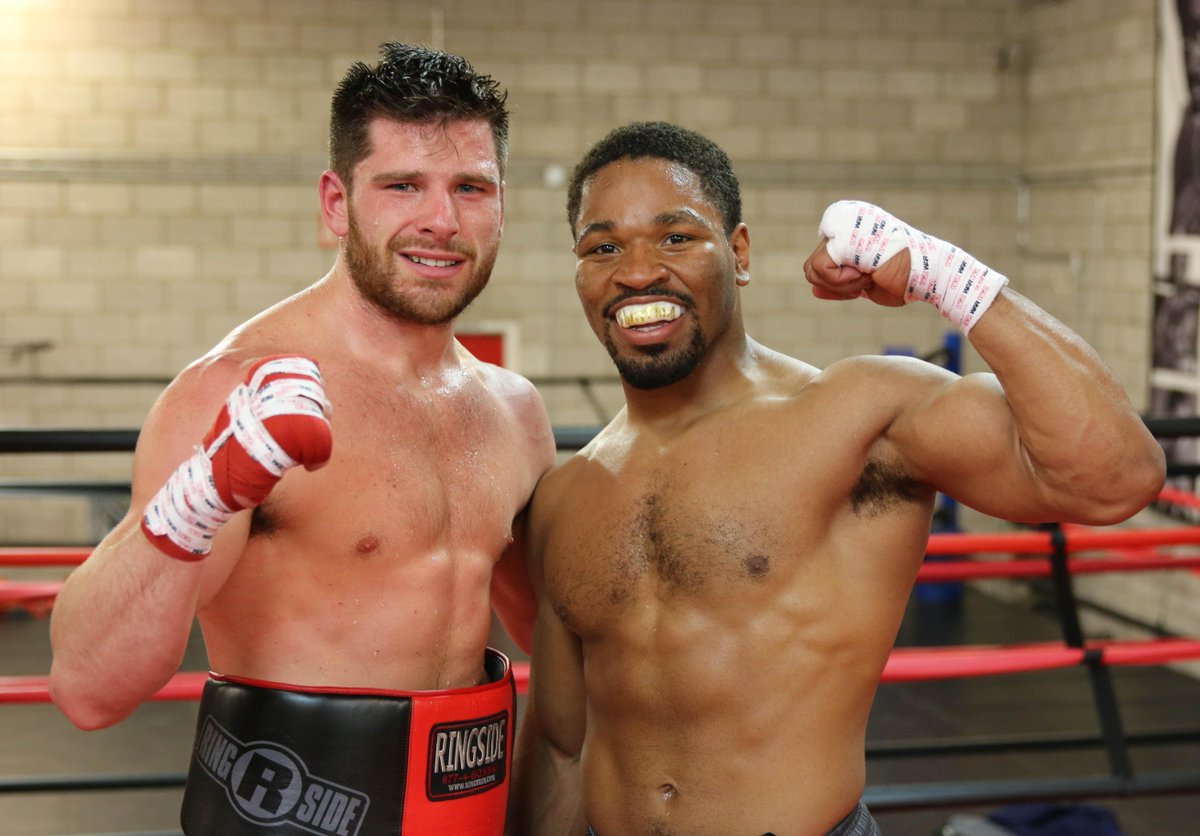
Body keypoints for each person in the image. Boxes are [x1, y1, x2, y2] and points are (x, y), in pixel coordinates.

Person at [509, 121, 1166, 836]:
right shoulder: (565, 498)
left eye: (675, 237)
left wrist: (947, 278)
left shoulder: (856, 417)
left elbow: (1115, 476)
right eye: (602, 247)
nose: (636, 272)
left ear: (739, 252)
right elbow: (561, 748)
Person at [48, 43, 556, 836]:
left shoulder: (514, 411)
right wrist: (202, 493)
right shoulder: (233, 391)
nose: (441, 220)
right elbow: (88, 687)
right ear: (335, 204)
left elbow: (554, 634)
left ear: (502, 204)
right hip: (286, 817)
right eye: (401, 186)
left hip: (471, 819)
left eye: (470, 187)